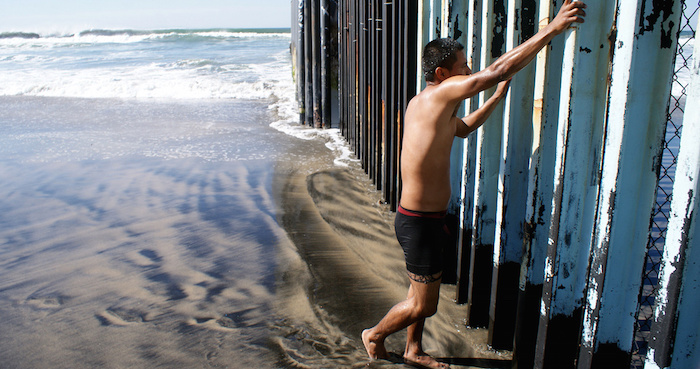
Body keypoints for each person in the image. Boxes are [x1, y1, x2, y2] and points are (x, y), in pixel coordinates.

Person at [361, 1, 587, 368]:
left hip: (427, 219)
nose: (469, 71)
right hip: (418, 222)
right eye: (463, 66)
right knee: (424, 303)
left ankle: (413, 349)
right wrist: (553, 29)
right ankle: (374, 335)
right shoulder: (437, 96)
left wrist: (496, 99)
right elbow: (495, 71)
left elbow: (463, 129)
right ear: (441, 73)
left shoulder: (432, 106)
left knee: (421, 288)